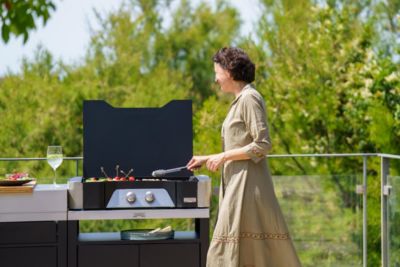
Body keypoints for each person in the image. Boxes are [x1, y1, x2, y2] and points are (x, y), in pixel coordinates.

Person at [187, 47, 302, 267]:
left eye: (217, 72)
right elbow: (240, 144)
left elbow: (263, 144)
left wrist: (222, 157)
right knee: (241, 254)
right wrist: (208, 157)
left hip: (247, 188)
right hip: (238, 186)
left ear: (229, 72)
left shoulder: (250, 98)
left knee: (223, 254)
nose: (215, 79)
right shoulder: (241, 100)